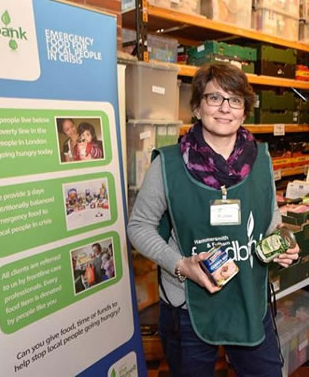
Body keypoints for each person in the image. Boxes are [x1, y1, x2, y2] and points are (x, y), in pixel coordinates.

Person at [127, 62, 299, 376]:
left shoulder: (261, 159)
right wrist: (180, 264)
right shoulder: (168, 165)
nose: (224, 108)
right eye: (214, 98)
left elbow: (269, 214)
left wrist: (281, 240)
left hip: (249, 297)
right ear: (196, 107)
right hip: (187, 305)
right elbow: (138, 226)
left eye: (235, 100)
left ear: (245, 111)